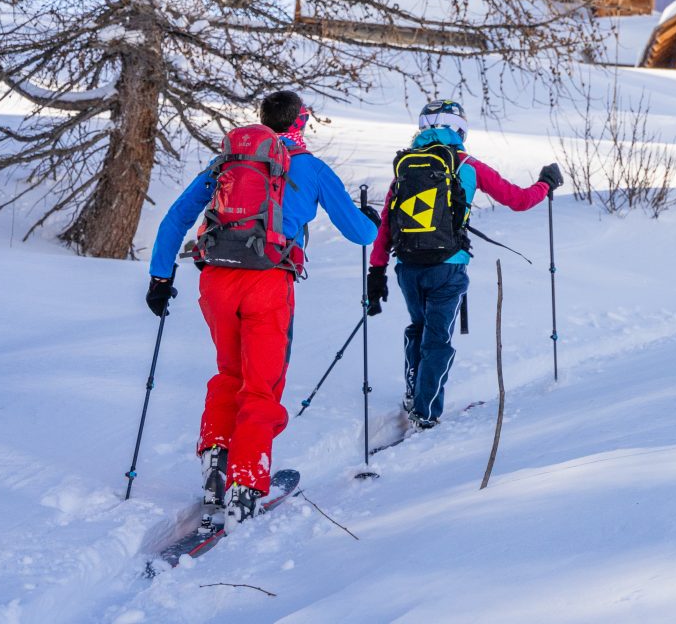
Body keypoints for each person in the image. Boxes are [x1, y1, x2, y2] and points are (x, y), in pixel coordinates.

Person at [145, 90, 378, 527]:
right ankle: (248, 484)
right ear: (301, 122)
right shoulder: (308, 166)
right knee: (261, 385)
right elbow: (359, 233)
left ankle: (217, 460)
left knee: (229, 372)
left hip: (215, 280)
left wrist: (160, 277)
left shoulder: (229, 165)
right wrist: (372, 219)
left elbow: (176, 217)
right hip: (268, 282)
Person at [367, 99, 561, 430]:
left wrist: (377, 271)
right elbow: (517, 200)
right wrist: (546, 183)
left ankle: (414, 394)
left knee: (418, 326)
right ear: (459, 128)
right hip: (448, 265)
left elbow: (386, 221)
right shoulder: (466, 164)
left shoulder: (405, 165)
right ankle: (425, 413)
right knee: (437, 337)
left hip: (407, 266)